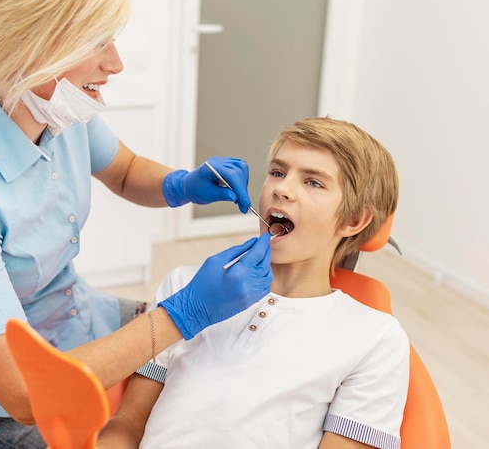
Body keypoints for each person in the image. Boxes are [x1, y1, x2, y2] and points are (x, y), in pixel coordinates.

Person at [0, 0, 274, 447]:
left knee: (235, 340)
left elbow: (127, 172)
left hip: (76, 318)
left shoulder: (49, 107)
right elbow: (25, 391)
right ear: (23, 42)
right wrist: (184, 312)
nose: (116, 63)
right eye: (97, 42)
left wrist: (182, 185)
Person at [98, 116, 410, 449]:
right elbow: (128, 423)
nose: (281, 188)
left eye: (313, 182)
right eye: (277, 172)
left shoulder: (375, 339)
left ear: (353, 220)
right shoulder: (184, 286)